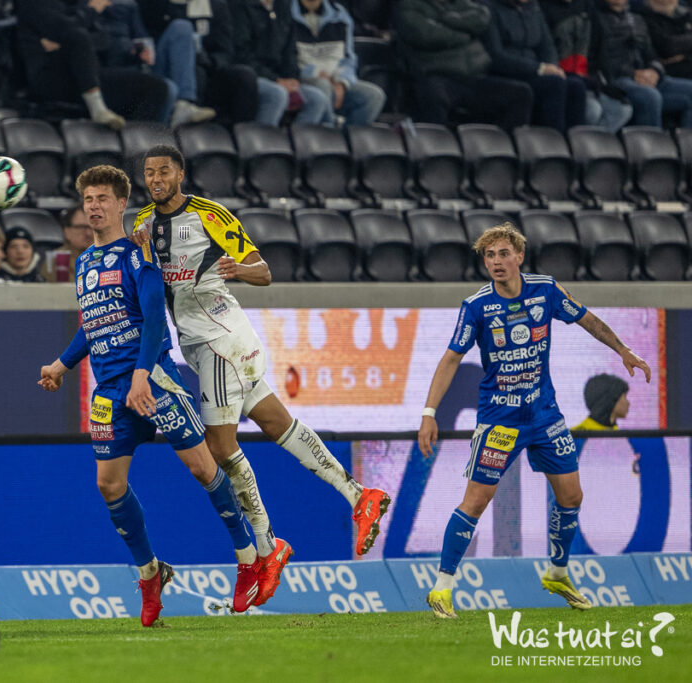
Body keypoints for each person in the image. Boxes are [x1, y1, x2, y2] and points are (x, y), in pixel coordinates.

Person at [135, 145, 391, 601]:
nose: (156, 179)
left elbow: (265, 271)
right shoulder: (141, 224)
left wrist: (239, 269)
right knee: (277, 424)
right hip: (203, 345)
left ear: (181, 174)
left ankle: (268, 547)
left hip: (221, 342)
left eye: (164, 171)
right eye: (149, 172)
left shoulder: (210, 214)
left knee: (220, 447)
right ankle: (359, 495)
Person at [38, 165, 261, 625]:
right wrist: (62, 365)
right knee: (108, 485)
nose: (93, 207)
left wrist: (143, 374)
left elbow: (156, 317)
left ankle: (247, 559)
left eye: (102, 198)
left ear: (122, 204)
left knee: (203, 467)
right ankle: (150, 574)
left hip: (153, 379)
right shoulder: (84, 262)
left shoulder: (138, 254)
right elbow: (93, 323)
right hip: (110, 389)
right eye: (88, 199)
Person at [416, 222, 651, 619]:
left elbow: (588, 319)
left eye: (503, 254)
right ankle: (442, 588)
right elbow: (451, 358)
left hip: (545, 415)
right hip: (500, 420)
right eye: (489, 256)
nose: (496, 262)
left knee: (572, 497)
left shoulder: (546, 290)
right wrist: (428, 413)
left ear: (520, 256)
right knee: (476, 501)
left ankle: (557, 574)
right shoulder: (476, 306)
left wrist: (623, 349)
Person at [15, 0, 170, 128]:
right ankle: (97, 107)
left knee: (156, 88)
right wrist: (91, 11)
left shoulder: (75, 5)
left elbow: (101, 39)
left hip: (87, 72)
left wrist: (69, 41)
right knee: (79, 37)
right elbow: (71, 31)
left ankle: (132, 149)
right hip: (50, 76)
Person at [395, 0, 534, 130]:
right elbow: (426, 35)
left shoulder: (459, 2)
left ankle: (498, 145)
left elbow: (482, 15)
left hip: (473, 76)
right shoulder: (409, 4)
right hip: (437, 74)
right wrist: (465, 33)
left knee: (520, 93)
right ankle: (437, 145)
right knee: (433, 94)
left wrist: (447, 20)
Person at [137, 0, 260, 124]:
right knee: (182, 27)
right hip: (161, 69)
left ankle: (244, 133)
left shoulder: (215, 6)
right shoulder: (153, 4)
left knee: (246, 77)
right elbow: (143, 38)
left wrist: (208, 61)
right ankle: (184, 102)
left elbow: (225, 52)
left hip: (205, 71)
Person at [483, 0, 586, 134]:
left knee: (576, 85)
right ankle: (553, 141)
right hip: (508, 73)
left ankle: (573, 143)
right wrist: (539, 68)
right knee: (554, 84)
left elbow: (547, 46)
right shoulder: (489, 8)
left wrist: (551, 66)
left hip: (536, 71)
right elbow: (496, 56)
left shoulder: (533, 8)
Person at [590, 0, 692, 127]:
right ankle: (651, 140)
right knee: (650, 96)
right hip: (618, 79)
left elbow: (652, 55)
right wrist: (633, 74)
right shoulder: (595, 19)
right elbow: (599, 61)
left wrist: (655, 71)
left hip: (647, 77)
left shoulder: (637, 19)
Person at [231, 0, 333, 125]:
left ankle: (296, 137)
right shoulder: (239, 6)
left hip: (279, 78)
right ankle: (262, 137)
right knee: (276, 95)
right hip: (250, 76)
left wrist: (292, 79)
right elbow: (241, 56)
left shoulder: (283, 5)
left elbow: (290, 52)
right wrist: (275, 80)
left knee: (317, 99)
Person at [542, 0, 633, 131]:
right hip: (562, 78)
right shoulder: (544, 8)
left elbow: (600, 53)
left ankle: (593, 143)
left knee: (622, 109)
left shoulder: (587, 7)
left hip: (588, 80)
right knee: (593, 110)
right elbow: (546, 52)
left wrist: (606, 83)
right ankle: (579, 141)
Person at [291, 0, 387, 125]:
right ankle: (329, 130)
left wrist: (342, 82)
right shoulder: (286, 12)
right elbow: (285, 58)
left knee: (373, 96)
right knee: (323, 85)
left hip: (334, 79)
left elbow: (349, 59)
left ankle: (347, 135)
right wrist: (314, 74)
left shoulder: (340, 14)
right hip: (301, 79)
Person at [638, 0, 692, 80]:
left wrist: (685, 55)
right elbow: (667, 46)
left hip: (686, 61)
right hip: (668, 68)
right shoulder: (645, 16)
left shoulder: (685, 14)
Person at [42, 204, 94, 282]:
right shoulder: (56, 259)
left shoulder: (108, 255)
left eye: (92, 227)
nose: (88, 233)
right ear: (67, 231)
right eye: (81, 227)